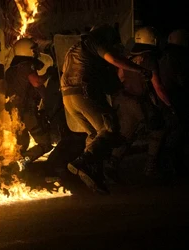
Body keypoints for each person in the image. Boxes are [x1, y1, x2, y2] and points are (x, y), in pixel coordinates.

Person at [61, 24, 152, 194]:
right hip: (84, 93)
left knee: (96, 135)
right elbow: (113, 59)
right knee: (110, 128)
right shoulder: (93, 42)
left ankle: (93, 175)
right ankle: (84, 161)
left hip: (68, 97)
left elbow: (105, 79)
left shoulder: (74, 49)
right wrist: (139, 69)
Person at [106, 26, 171, 181]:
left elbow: (120, 77)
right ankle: (150, 167)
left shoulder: (128, 58)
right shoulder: (149, 58)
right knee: (158, 129)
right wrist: (170, 106)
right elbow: (158, 86)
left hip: (124, 99)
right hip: (138, 101)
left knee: (126, 135)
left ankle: (110, 168)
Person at [4, 37, 53, 170]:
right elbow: (36, 82)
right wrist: (48, 74)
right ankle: (21, 163)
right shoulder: (26, 65)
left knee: (21, 145)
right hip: (27, 111)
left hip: (15, 113)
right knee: (45, 144)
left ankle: (15, 171)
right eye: (33, 49)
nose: (36, 52)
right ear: (26, 50)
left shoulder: (11, 70)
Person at [158, 29, 189, 178]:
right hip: (175, 96)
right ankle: (173, 165)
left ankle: (167, 164)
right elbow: (182, 79)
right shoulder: (178, 57)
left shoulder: (164, 55)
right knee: (178, 131)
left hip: (165, 96)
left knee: (171, 131)